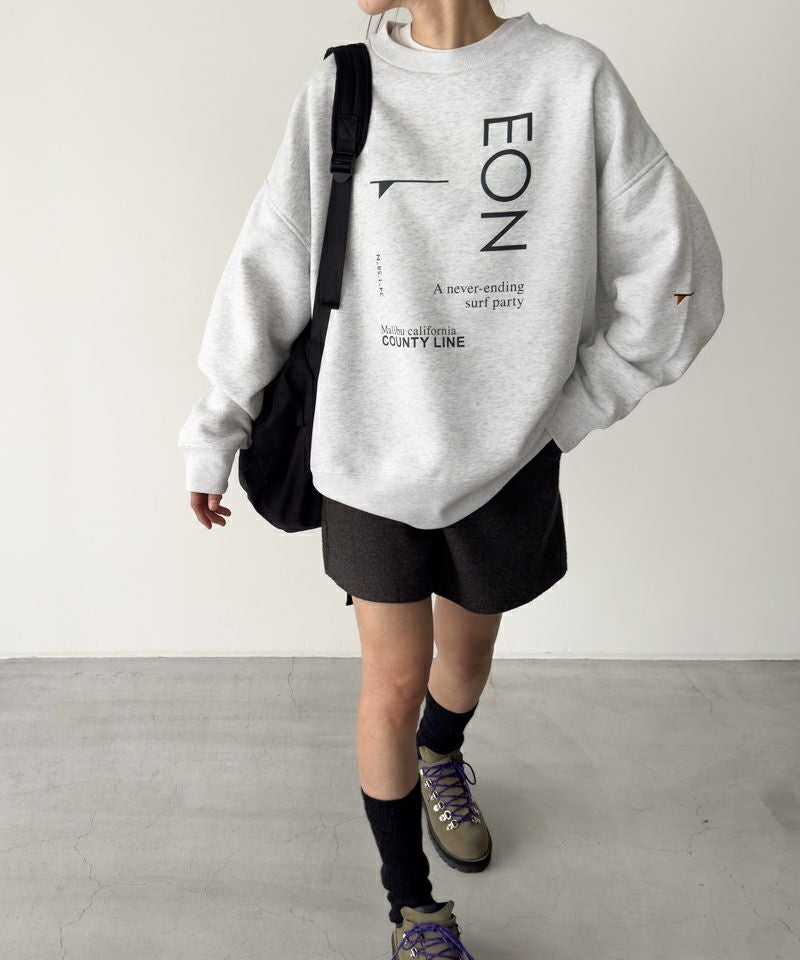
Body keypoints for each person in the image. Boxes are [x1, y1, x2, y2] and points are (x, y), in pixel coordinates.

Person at [177, 1, 725, 956]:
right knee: (391, 681)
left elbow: (678, 274)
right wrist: (215, 426)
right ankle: (413, 906)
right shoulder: (344, 86)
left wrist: (569, 412)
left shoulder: (571, 80)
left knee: (462, 665)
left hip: (507, 459)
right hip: (367, 448)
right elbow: (270, 260)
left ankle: (443, 755)